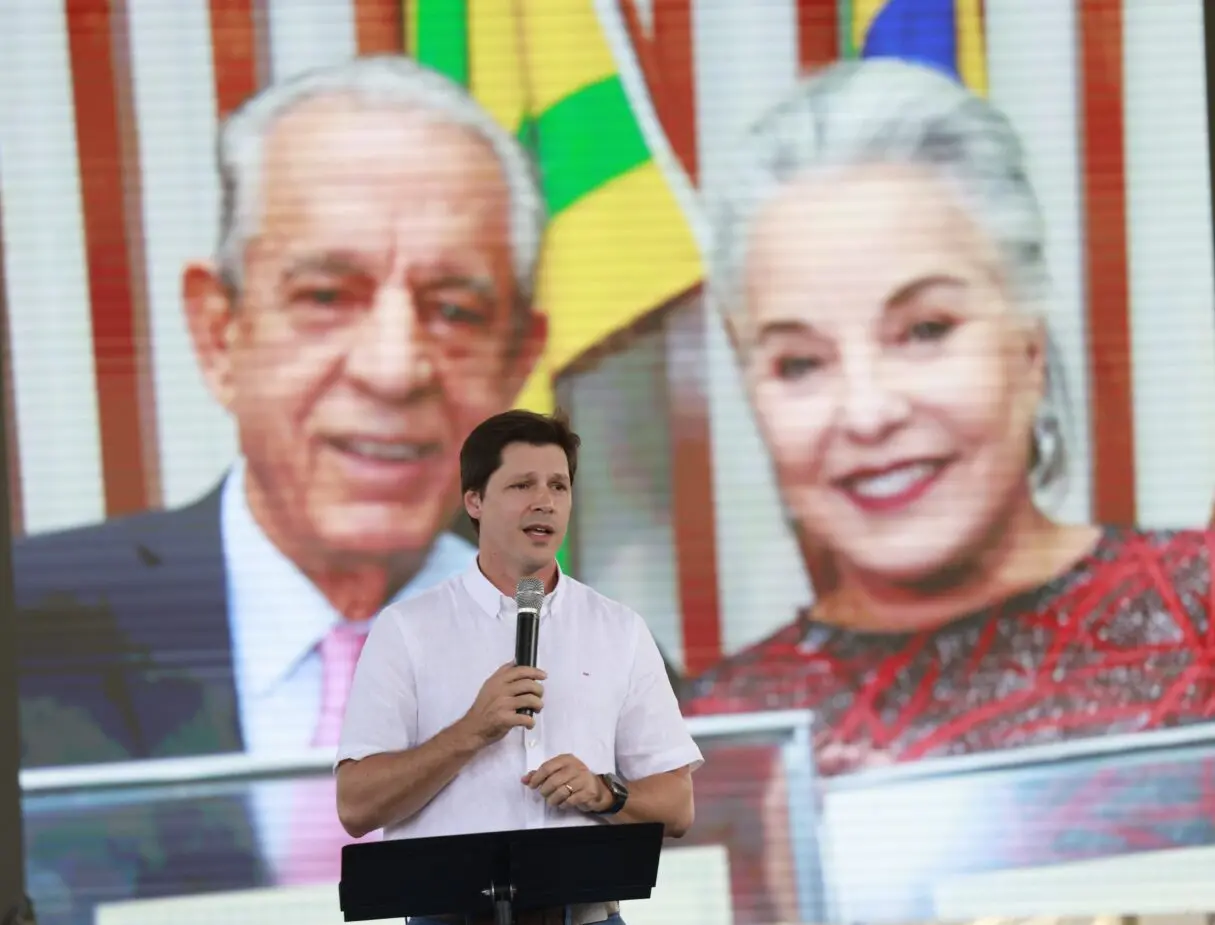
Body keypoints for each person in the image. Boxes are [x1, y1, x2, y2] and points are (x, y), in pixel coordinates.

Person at [677, 58, 1215, 921]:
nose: (867, 410)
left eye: (924, 329)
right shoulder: (707, 750)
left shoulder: (1201, 609)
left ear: (1028, 346)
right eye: (799, 362)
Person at [15, 55, 548, 912]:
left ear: (517, 364)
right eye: (327, 294)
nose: (392, 368)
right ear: (221, 334)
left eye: (454, 310)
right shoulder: (29, 629)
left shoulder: (599, 664)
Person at [334, 409, 703, 925]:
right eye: (522, 484)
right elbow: (356, 805)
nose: (545, 501)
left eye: (558, 485)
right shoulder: (407, 629)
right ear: (475, 502)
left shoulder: (618, 628)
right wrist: (472, 730)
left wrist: (603, 793)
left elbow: (677, 806)